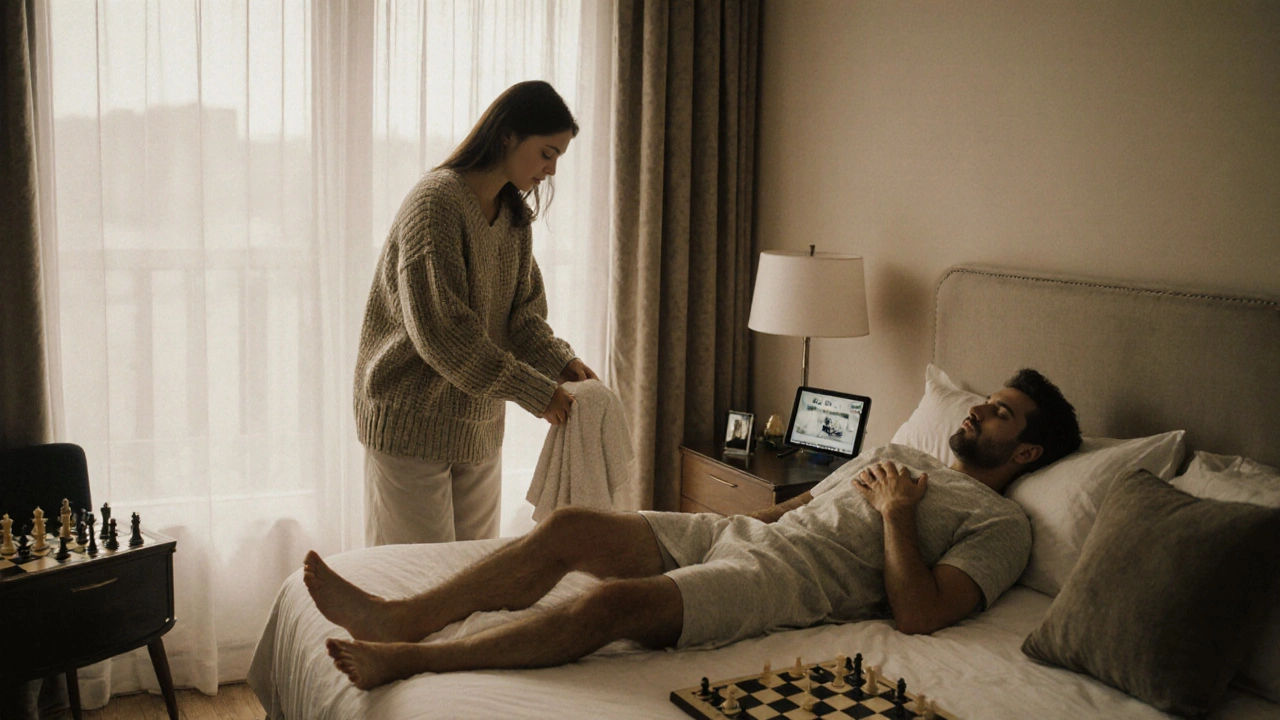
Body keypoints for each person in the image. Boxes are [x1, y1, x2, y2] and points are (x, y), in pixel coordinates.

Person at [308, 368, 1081, 689]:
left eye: (1001, 413)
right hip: (741, 538)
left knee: (613, 606)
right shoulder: (902, 449)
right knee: (577, 525)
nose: (979, 408)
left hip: (784, 582)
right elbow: (802, 508)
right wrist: (727, 519)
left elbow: (918, 612)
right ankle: (403, 613)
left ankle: (414, 662)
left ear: (1028, 450)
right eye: (985, 399)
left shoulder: (1000, 524)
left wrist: (898, 517)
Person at [353, 80, 597, 546]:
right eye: (547, 153)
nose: (550, 170)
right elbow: (444, 336)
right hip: (410, 421)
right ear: (508, 136)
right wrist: (536, 392)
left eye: (558, 158)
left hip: (478, 427)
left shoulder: (513, 218)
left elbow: (523, 319)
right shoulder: (436, 203)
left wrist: (561, 365)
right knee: (415, 585)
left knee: (473, 581)